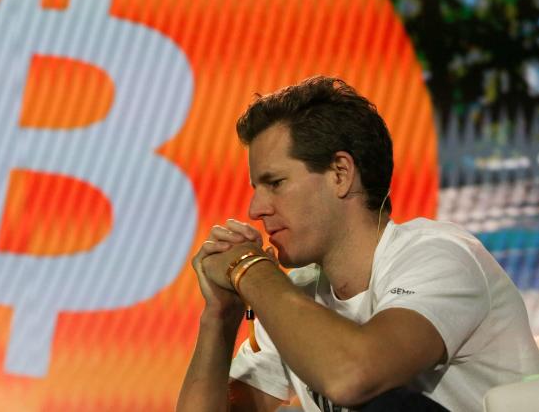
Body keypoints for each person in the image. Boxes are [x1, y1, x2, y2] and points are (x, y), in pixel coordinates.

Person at [176, 76, 539, 411]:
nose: (256, 209)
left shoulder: (439, 256)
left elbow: (352, 376)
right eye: (256, 188)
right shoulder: (295, 298)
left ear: (340, 174)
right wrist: (219, 317)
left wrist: (248, 269)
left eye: (275, 183)